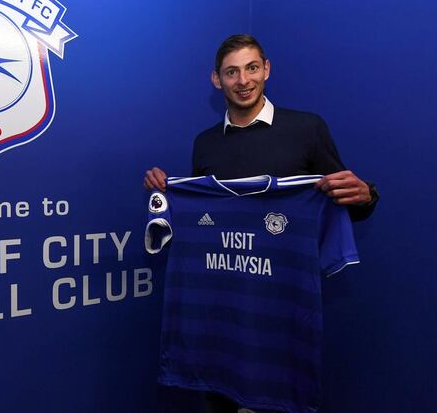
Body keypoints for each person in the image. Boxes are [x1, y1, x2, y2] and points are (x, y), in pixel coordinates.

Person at [144, 34, 378, 413]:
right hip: (219, 317)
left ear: (266, 69)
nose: (243, 80)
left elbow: (345, 202)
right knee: (218, 401)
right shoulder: (205, 143)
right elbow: (206, 219)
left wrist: (367, 194)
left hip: (279, 314)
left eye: (252, 68)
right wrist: (167, 192)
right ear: (216, 80)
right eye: (231, 72)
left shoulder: (307, 128)